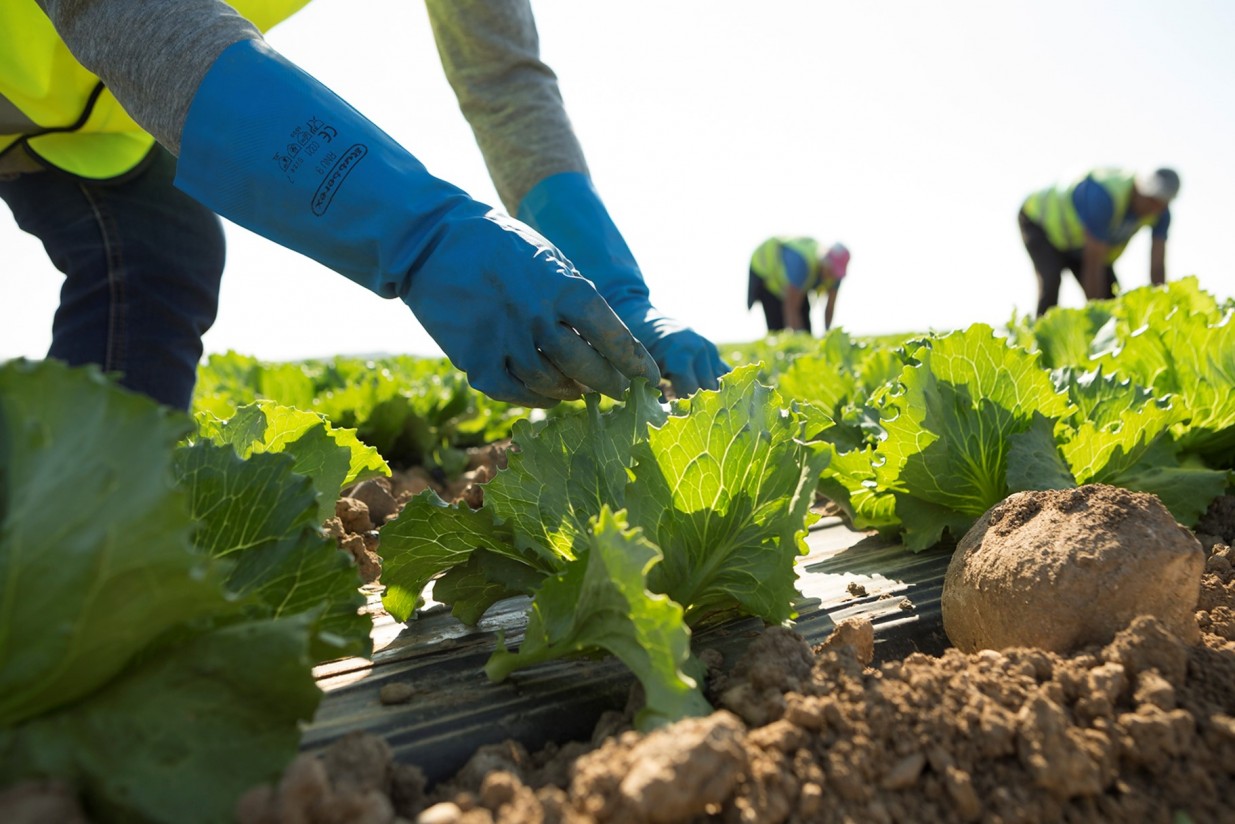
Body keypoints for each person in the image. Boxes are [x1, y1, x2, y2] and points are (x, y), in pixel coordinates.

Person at [0, 0, 727, 411]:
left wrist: (616, 291)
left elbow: (502, 79)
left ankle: (85, 557)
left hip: (83, 118)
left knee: (160, 254)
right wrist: (416, 232)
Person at [1019, 167, 1180, 316]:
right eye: (1151, 200)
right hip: (1040, 222)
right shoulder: (1104, 196)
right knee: (1051, 281)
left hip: (1077, 243)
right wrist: (1099, 318)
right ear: (1140, 188)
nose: (1154, 208)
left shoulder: (1160, 213)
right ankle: (1040, 341)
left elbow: (1158, 266)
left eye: (1161, 204)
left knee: (1113, 302)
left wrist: (1163, 312)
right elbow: (1093, 264)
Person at [747, 236, 850, 334]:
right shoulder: (802, 265)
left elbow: (830, 307)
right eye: (831, 271)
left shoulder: (835, 276)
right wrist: (798, 338)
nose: (832, 277)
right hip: (765, 271)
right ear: (825, 262)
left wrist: (828, 333)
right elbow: (790, 307)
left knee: (805, 328)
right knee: (778, 328)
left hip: (797, 284)